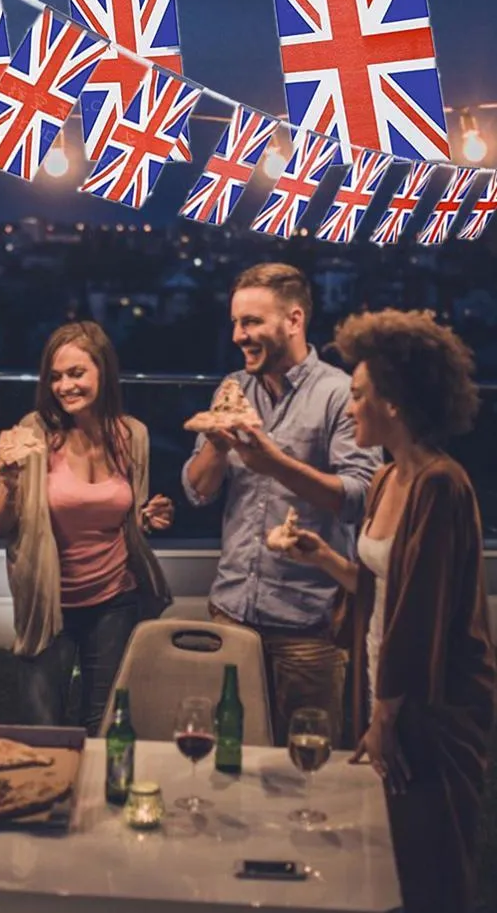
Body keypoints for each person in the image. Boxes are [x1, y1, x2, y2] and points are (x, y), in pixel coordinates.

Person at [286, 310, 495, 913]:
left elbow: (422, 613)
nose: (349, 409)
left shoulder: (440, 485)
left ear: (395, 403)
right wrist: (323, 557)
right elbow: (379, 588)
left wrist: (386, 718)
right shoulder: (386, 479)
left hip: (432, 704)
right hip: (388, 690)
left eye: (357, 395)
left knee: (433, 864)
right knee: (388, 858)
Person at [182, 263, 380, 746]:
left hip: (307, 627)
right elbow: (198, 491)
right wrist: (219, 444)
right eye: (235, 322)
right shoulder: (234, 388)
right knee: (228, 755)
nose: (238, 335)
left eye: (251, 322)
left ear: (293, 320)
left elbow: (358, 497)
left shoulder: (340, 394)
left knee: (307, 771)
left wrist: (275, 463)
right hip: (230, 613)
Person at [0, 322, 174, 735]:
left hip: (114, 600)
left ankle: (95, 800)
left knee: (104, 724)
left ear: (103, 372)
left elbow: (127, 516)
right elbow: (4, 524)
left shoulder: (133, 436)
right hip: (49, 600)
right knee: (45, 729)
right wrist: (9, 482)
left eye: (76, 374)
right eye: (55, 376)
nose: (64, 386)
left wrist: (148, 517)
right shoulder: (33, 433)